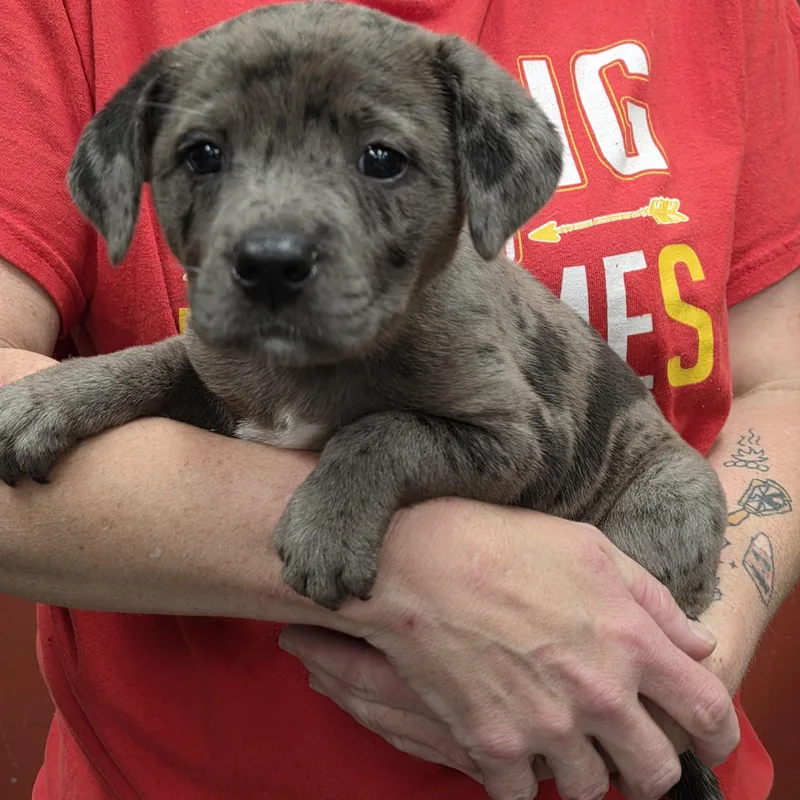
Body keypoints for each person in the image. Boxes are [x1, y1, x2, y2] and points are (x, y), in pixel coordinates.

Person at [0, 0, 798, 798]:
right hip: (179, 775)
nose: (271, 236)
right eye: (205, 156)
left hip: (616, 655)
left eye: (380, 160)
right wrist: (426, 573)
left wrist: (683, 672)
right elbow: (209, 372)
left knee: (672, 500)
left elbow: (778, 387)